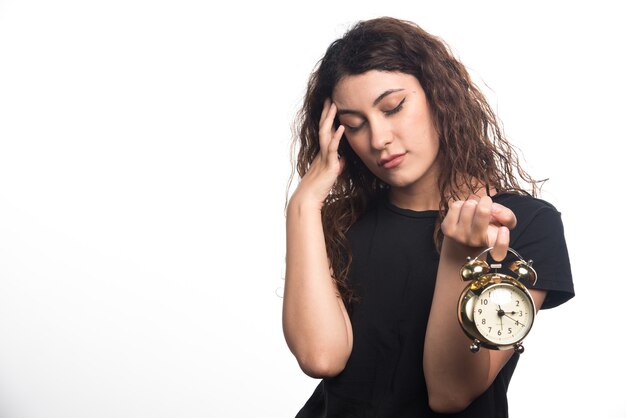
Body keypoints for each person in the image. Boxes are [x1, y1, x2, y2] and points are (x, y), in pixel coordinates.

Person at [282, 16, 574, 417]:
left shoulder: (520, 224)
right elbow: (321, 357)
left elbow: (451, 393)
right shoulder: (341, 221)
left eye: (393, 107)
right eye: (354, 124)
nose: (378, 139)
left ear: (438, 95)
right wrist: (302, 205)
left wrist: (459, 258)